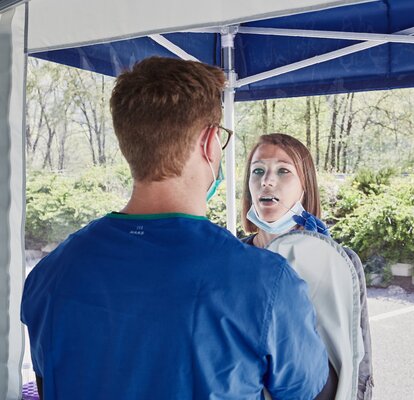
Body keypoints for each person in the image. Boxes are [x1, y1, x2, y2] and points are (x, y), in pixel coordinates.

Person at [21, 57, 336, 400]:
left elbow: (45, 386)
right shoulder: (266, 282)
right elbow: (317, 393)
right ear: (209, 142)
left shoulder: (49, 274)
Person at [240, 133, 373, 399]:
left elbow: (359, 364)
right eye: (258, 171)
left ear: (305, 187)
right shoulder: (232, 259)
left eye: (283, 170)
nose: (267, 180)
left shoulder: (342, 264)